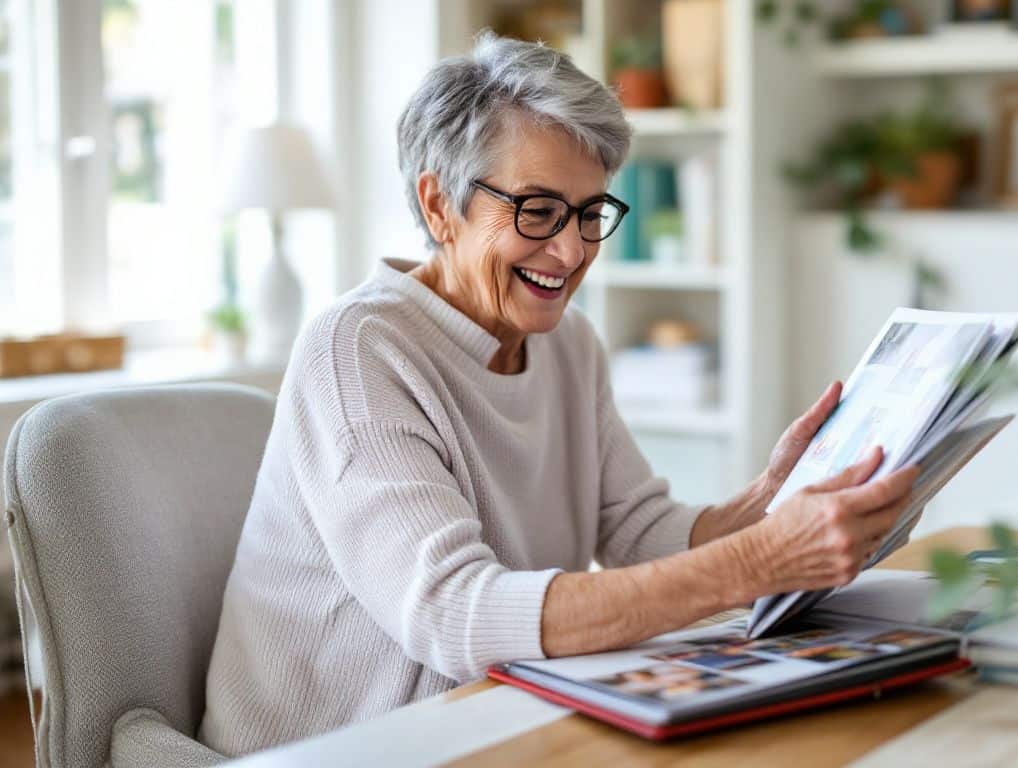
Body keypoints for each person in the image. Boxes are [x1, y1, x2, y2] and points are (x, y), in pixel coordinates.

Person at [199, 33, 918, 755]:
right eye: (537, 210)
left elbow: (637, 531)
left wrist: (772, 502)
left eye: (587, 213)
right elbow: (454, 616)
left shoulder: (569, 342)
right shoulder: (357, 350)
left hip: (490, 728)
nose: (572, 252)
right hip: (335, 750)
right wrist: (761, 561)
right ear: (439, 204)